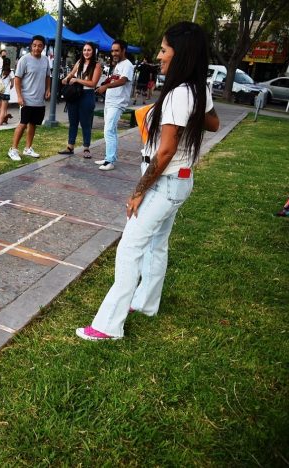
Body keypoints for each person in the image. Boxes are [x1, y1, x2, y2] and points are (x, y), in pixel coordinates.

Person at [76, 22, 220, 340]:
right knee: (156, 244)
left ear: (180, 55)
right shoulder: (197, 89)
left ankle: (108, 326)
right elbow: (212, 122)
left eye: (164, 50)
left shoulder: (180, 94)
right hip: (179, 182)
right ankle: (145, 303)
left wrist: (138, 192)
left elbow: (166, 150)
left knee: (130, 247)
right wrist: (189, 115)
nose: (159, 55)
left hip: (165, 181)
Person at [7, 35, 51, 161]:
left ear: (43, 47)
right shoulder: (24, 60)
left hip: (39, 100)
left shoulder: (45, 60)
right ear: (31, 46)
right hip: (26, 99)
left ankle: (28, 148)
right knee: (22, 124)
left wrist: (48, 89)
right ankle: (13, 149)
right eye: (35, 45)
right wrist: (19, 96)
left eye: (40, 45)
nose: (37, 48)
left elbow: (48, 76)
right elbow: (17, 79)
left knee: (33, 124)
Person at [94, 39, 135, 171]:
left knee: (109, 130)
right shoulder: (118, 65)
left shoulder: (127, 65)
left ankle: (110, 161)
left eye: (117, 50)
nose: (114, 53)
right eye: (112, 50)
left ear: (124, 50)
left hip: (118, 103)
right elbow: (115, 78)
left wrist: (106, 86)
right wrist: (103, 83)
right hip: (110, 101)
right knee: (111, 131)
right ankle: (109, 157)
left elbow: (123, 80)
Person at [58, 42, 102, 158]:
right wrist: (66, 79)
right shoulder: (79, 62)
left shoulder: (96, 65)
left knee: (86, 123)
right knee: (73, 122)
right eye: (84, 50)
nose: (86, 52)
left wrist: (77, 80)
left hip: (87, 95)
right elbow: (72, 74)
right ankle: (70, 146)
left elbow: (93, 83)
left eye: (89, 50)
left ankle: (86, 148)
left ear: (93, 52)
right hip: (75, 95)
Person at [0, 57, 14, 126]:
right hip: (6, 93)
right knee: (3, 109)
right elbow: (12, 84)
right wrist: (8, 88)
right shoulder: (11, 72)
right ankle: (0, 123)